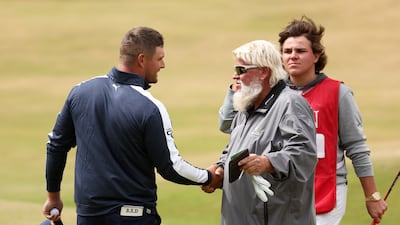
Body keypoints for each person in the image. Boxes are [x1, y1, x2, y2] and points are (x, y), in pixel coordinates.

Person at [42, 26, 221, 225]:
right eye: (159, 58)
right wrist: (208, 177)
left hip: (89, 218)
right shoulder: (150, 107)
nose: (163, 65)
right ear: (142, 60)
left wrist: (53, 196)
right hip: (134, 218)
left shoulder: (80, 92)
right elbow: (171, 167)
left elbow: (56, 145)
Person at [217, 16, 388, 225]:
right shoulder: (264, 93)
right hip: (280, 188)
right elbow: (228, 125)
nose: (292, 57)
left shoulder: (337, 93)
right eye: (287, 51)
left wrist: (372, 196)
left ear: (316, 55)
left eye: (300, 51)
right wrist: (239, 87)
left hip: (325, 188)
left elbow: (357, 147)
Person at [203, 40, 318, 225]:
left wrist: (268, 163)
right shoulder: (245, 106)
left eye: (242, 70)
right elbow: (234, 150)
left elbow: (304, 154)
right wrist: (220, 170)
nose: (235, 76)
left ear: (264, 72)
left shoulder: (290, 104)